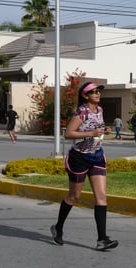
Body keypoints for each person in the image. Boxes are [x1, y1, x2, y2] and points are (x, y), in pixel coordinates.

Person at [50, 82, 118, 251]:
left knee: (101, 197)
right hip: (79, 158)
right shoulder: (82, 112)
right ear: (85, 96)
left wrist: (103, 130)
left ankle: (102, 239)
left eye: (99, 91)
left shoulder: (100, 110)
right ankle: (58, 227)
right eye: (93, 92)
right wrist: (91, 133)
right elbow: (68, 134)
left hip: (96, 156)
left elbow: (96, 130)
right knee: (74, 196)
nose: (98, 94)